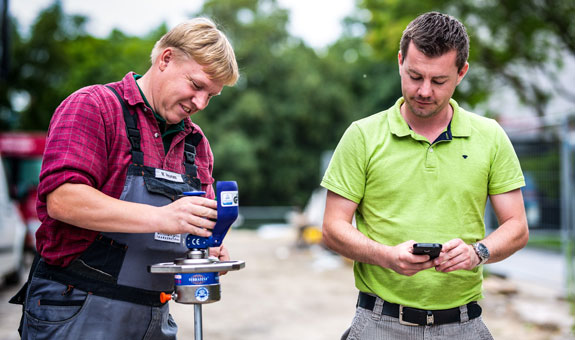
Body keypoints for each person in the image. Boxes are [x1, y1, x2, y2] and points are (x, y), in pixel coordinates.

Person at [9, 18, 239, 339]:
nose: (200, 103)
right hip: (78, 309)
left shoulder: (195, 143)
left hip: (154, 316)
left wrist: (206, 250)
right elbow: (63, 200)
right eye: (197, 86)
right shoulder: (93, 107)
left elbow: (193, 226)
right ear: (166, 59)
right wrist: (162, 217)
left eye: (211, 95)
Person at [321, 12, 528, 340]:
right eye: (415, 76)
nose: (424, 91)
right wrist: (387, 257)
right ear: (400, 60)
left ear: (461, 73)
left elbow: (517, 227)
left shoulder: (491, 136)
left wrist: (478, 252)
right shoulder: (361, 136)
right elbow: (332, 229)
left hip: (464, 324)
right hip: (380, 322)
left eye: (439, 80)